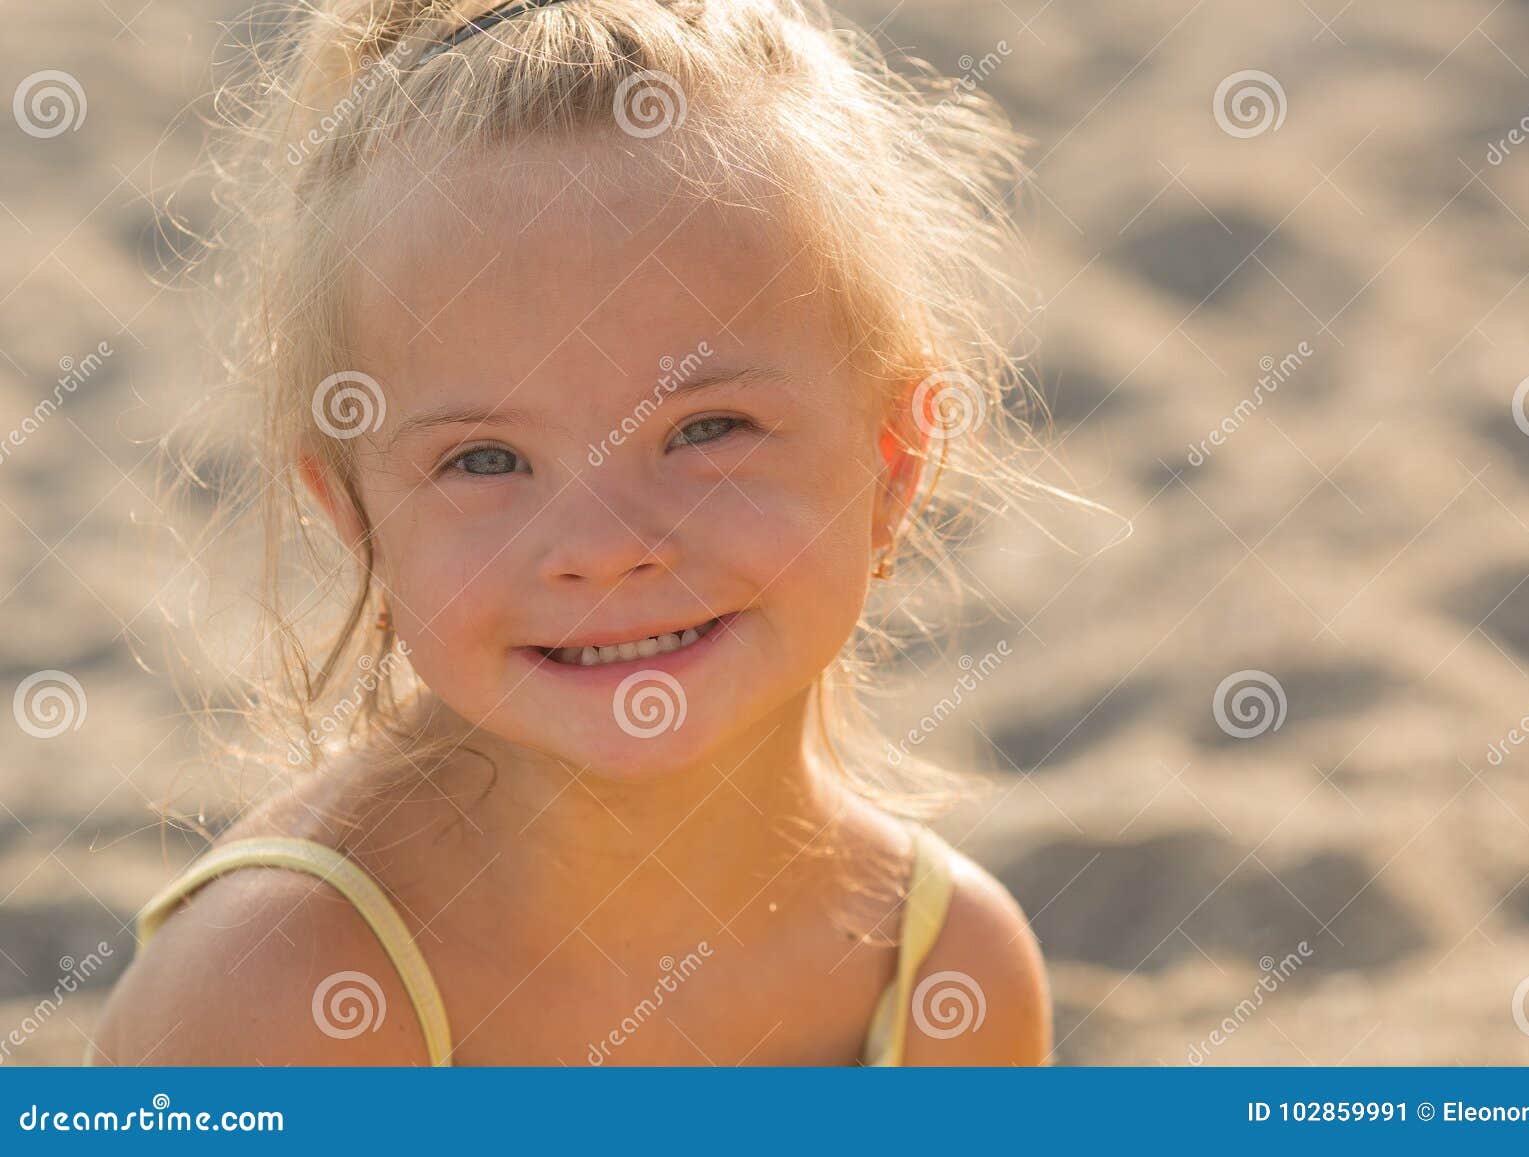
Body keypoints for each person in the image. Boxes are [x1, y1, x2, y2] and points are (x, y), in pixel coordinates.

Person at [90, 0, 1059, 1066]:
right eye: (486, 459)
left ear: (892, 462)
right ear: (357, 516)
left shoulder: (943, 977)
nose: (602, 543)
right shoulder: (289, 988)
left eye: (706, 428)